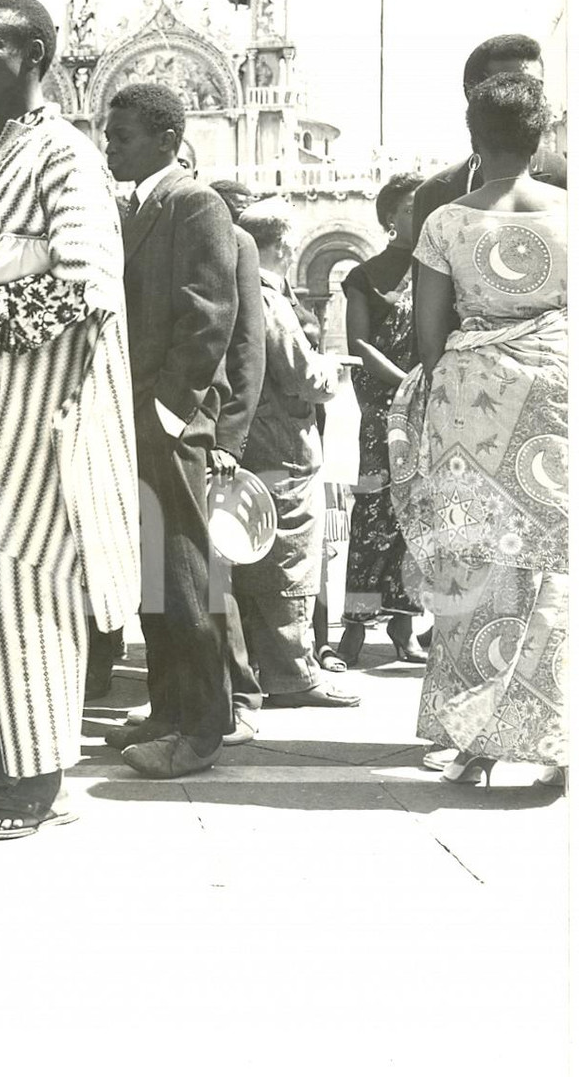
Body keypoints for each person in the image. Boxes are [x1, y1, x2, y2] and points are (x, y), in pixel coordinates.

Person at [0, 0, 141, 837]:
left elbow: (84, 287)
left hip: (45, 410)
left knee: (24, 581)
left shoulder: (67, 154)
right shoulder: (7, 145)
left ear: (38, 52)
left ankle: (38, 782)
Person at [389, 72, 567, 790]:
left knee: (477, 569)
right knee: (554, 568)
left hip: (471, 403)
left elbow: (430, 339)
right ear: (541, 138)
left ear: (472, 137)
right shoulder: (568, 214)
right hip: (557, 394)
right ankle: (559, 748)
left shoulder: (445, 224)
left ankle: (478, 743)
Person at [103, 82, 237, 778]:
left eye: (121, 136)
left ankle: (201, 729)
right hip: (135, 419)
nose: (109, 146)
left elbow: (209, 314)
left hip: (168, 424)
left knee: (183, 574)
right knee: (154, 575)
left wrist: (168, 411)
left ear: (166, 140)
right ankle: (166, 710)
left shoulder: (194, 202)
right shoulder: (134, 207)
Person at [233, 198, 359, 710]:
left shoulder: (239, 289)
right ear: (285, 245)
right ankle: (292, 674)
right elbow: (302, 376)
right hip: (282, 443)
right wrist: (332, 370)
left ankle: (272, 668)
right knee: (287, 560)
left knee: (257, 556)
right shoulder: (267, 297)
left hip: (251, 442)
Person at [410, 33, 566, 359]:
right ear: (474, 95)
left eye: (534, 87)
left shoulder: (568, 180)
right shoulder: (436, 196)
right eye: (508, 84)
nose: (522, 96)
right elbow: (428, 327)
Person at [336, 172, 427, 667]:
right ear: (391, 216)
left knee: (415, 515)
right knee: (372, 514)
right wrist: (404, 384)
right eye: (413, 207)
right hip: (382, 413)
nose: (422, 214)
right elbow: (359, 346)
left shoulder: (436, 270)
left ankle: (403, 624)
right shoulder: (364, 276)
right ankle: (354, 627)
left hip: (428, 410)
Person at [208, 179, 267, 744]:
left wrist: (229, 438)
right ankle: (174, 704)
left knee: (210, 573)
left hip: (209, 431)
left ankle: (239, 699)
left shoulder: (235, 240)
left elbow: (248, 345)